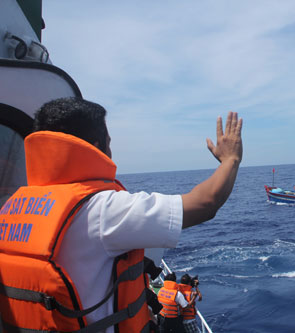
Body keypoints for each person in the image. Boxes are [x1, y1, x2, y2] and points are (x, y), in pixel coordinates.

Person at [0, 97, 243, 332]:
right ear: (96, 147)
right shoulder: (101, 210)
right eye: (109, 141)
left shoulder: (13, 206)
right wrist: (230, 159)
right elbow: (205, 204)